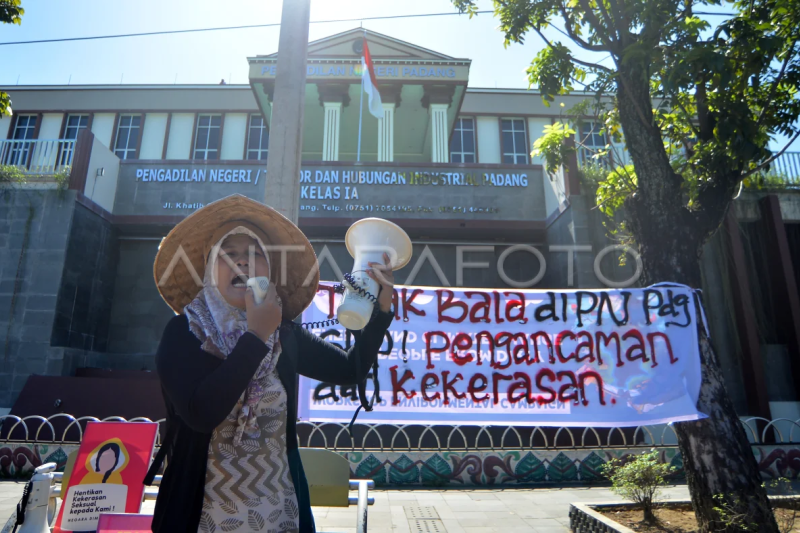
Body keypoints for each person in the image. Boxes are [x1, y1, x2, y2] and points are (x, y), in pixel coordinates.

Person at [146, 194, 395, 533]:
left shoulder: (284, 335)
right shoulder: (185, 333)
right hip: (197, 517)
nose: (242, 262)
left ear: (269, 270)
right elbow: (201, 414)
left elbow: (349, 370)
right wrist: (256, 336)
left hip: (280, 515)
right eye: (228, 254)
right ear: (209, 269)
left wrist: (378, 312)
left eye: (254, 254)